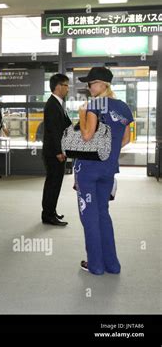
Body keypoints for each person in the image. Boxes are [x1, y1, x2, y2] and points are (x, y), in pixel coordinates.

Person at [75, 67, 133, 275]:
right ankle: (112, 264)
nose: (88, 88)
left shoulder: (94, 105)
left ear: (101, 84)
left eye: (90, 84)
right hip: (109, 169)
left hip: (88, 168)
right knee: (103, 214)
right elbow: (126, 139)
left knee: (89, 216)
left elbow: (87, 136)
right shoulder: (123, 107)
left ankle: (96, 265)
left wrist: (82, 116)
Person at [41, 74, 72, 226]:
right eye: (66, 85)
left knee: (55, 183)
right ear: (58, 86)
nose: (68, 88)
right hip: (54, 153)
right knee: (52, 183)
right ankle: (47, 215)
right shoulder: (52, 105)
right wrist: (59, 151)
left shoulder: (57, 103)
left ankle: (51, 211)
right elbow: (54, 131)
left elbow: (66, 126)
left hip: (57, 151)